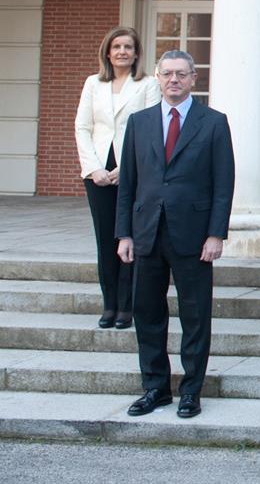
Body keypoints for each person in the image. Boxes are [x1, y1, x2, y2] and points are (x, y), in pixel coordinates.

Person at [116, 50, 234, 420]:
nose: (173, 80)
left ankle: (190, 392)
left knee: (195, 316)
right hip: (147, 233)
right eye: (167, 74)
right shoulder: (139, 122)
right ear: (157, 77)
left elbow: (223, 184)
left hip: (194, 237)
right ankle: (155, 388)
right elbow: (128, 184)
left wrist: (216, 234)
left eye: (181, 74)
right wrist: (124, 234)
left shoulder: (213, 122)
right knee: (147, 313)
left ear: (194, 78)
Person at [74, 26, 160, 330]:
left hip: (133, 170)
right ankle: (109, 305)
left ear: (136, 53)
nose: (122, 51)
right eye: (117, 47)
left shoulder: (148, 85)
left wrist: (128, 170)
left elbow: (152, 129)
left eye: (128, 47)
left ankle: (127, 306)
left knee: (129, 237)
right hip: (97, 171)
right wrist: (95, 167)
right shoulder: (92, 84)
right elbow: (83, 128)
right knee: (105, 240)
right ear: (107, 52)